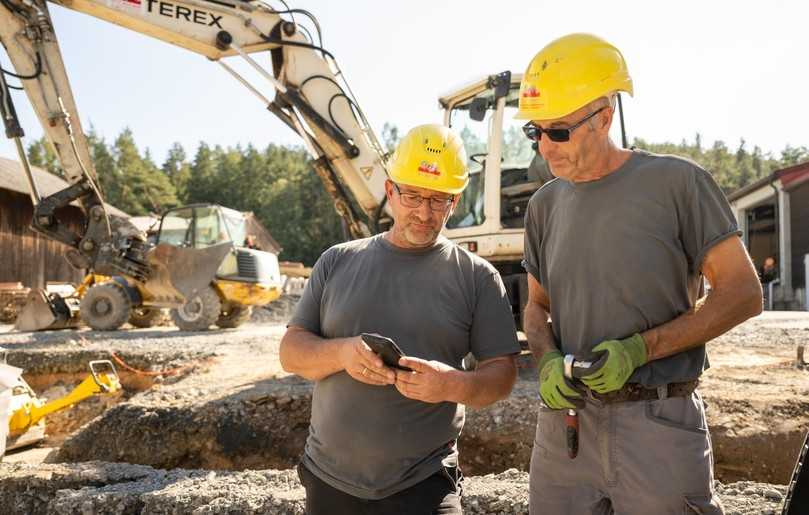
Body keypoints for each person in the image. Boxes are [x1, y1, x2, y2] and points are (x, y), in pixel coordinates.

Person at [515, 33, 763, 515]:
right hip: (565, 430)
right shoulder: (543, 206)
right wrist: (545, 359)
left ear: (604, 117)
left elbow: (743, 293)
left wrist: (640, 349)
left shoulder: (678, 184)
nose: (545, 147)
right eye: (535, 131)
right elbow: (536, 306)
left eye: (559, 131)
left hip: (658, 422)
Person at [279, 123, 520, 514]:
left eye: (439, 200)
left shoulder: (477, 277)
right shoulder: (337, 261)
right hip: (330, 481)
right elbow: (291, 352)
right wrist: (342, 354)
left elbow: (502, 375)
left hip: (424, 483)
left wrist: (451, 384)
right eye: (413, 195)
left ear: (455, 202)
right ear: (391, 191)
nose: (424, 213)